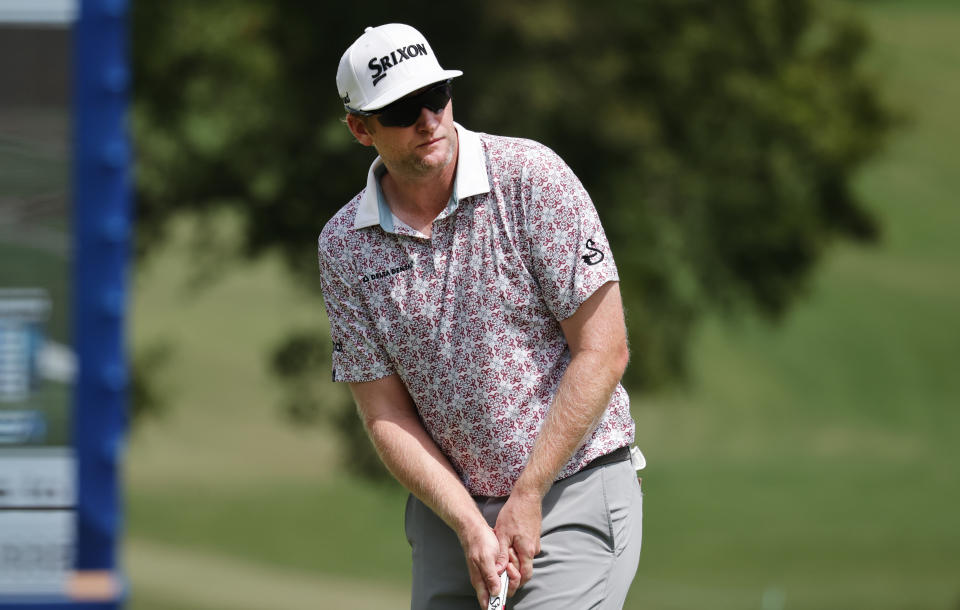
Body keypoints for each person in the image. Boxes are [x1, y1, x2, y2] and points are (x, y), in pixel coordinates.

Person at [319, 23, 644, 610]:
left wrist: (528, 493)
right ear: (360, 129)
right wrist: (468, 523)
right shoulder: (344, 246)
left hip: (570, 487)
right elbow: (385, 411)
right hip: (451, 516)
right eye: (400, 110)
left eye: (435, 96)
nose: (427, 119)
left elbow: (605, 349)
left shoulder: (531, 178)